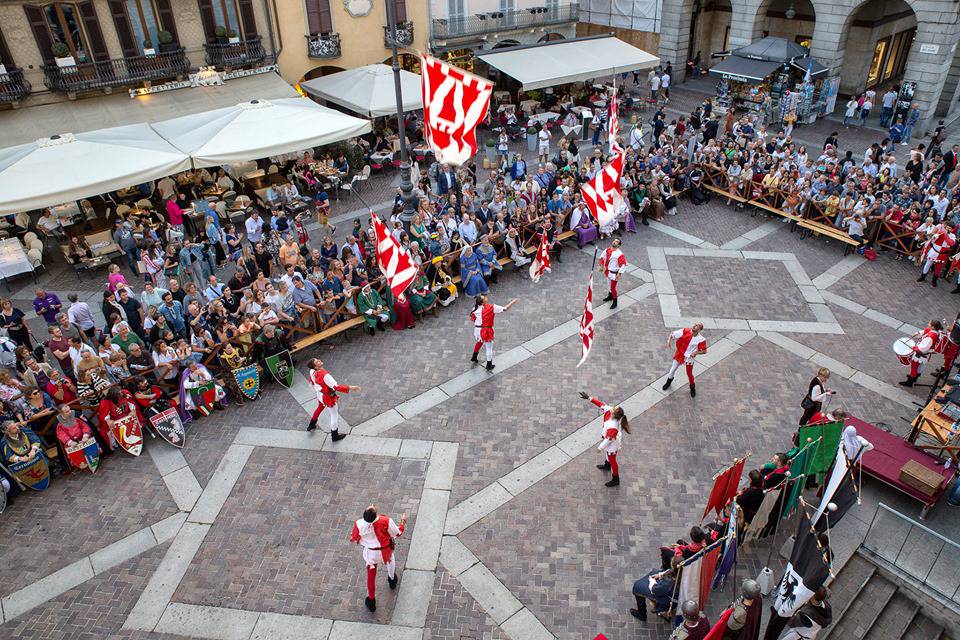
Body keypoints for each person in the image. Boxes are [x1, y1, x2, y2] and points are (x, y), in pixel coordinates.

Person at [350, 504, 407, 612]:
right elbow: (397, 533)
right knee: (390, 562)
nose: (371, 505)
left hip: (371, 555)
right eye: (371, 507)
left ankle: (371, 600)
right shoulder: (385, 521)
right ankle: (392, 580)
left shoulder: (359, 524)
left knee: (371, 576)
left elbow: (354, 538)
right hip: (385, 551)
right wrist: (403, 522)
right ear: (374, 514)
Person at [580, 391, 630, 487]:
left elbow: (609, 439)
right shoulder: (610, 411)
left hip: (612, 444)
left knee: (612, 459)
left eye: (614, 409)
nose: (612, 408)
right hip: (610, 440)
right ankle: (607, 466)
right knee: (609, 456)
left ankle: (616, 479)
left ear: (614, 414)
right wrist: (589, 398)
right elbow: (601, 404)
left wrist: (600, 447)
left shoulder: (613, 426)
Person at [306, 357, 359, 440]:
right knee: (334, 415)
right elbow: (336, 387)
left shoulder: (312, 371)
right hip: (327, 397)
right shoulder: (325, 375)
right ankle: (334, 435)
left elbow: (312, 382)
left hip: (320, 394)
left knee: (319, 408)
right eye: (317, 361)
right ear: (315, 367)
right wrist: (351, 387)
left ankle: (311, 425)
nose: (319, 360)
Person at [469, 294, 518, 371]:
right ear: (482, 302)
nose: (485, 297)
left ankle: (474, 357)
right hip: (486, 330)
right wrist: (513, 302)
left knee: (479, 341)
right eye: (484, 298)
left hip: (477, 330)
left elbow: (473, 319)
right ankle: (489, 365)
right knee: (489, 348)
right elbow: (505, 309)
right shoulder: (491, 307)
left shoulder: (474, 309)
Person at [662, 323, 707, 397]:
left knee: (689, 373)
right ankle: (668, 382)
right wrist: (668, 341)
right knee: (672, 370)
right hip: (680, 354)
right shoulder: (685, 331)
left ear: (699, 330)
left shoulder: (701, 339)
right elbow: (673, 334)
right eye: (695, 324)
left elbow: (704, 351)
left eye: (696, 326)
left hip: (689, 358)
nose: (694, 326)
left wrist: (696, 352)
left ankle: (692, 387)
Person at [630, 556, 681, 621]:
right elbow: (670, 571)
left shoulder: (669, 583)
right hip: (672, 594)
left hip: (667, 598)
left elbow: (654, 589)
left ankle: (642, 614)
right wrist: (660, 575)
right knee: (655, 572)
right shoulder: (684, 573)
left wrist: (652, 581)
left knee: (637, 586)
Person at [899, 320, 942, 387]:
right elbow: (926, 330)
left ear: (933, 327)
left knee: (914, 367)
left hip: (920, 355)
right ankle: (914, 377)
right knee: (918, 367)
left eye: (929, 324)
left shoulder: (930, 337)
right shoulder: (936, 332)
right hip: (924, 355)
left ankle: (910, 382)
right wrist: (918, 333)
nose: (928, 324)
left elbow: (922, 348)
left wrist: (913, 347)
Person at [916, 223, 956, 287]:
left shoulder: (952, 236)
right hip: (934, 252)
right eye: (947, 227)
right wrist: (935, 236)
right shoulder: (940, 232)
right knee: (928, 264)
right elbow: (933, 241)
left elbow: (951, 243)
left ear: (952, 229)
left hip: (942, 255)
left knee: (938, 268)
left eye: (950, 228)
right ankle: (922, 277)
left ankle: (934, 281)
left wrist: (945, 235)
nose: (948, 229)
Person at [599, 238, 627, 308]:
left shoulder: (620, 254)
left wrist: (619, 273)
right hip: (608, 271)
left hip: (614, 274)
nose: (614, 242)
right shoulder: (607, 250)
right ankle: (610, 296)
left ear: (618, 245)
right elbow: (602, 257)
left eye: (617, 242)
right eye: (614, 240)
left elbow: (623, 264)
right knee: (608, 285)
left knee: (613, 288)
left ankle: (615, 302)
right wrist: (601, 266)